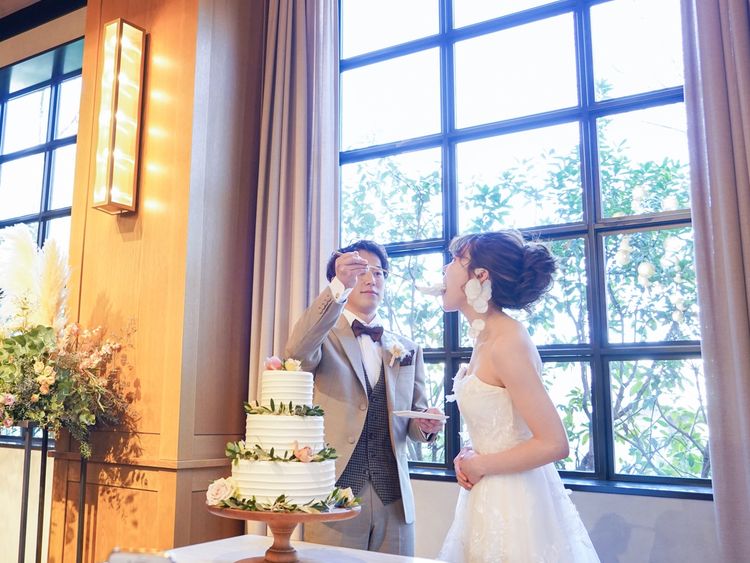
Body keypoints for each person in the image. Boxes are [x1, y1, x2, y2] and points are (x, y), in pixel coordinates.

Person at [437, 230, 599, 563]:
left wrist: (480, 464)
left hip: (515, 504)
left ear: (480, 276)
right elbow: (501, 424)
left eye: (455, 260)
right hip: (485, 497)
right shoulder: (485, 337)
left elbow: (554, 443)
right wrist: (470, 453)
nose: (445, 269)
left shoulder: (508, 341)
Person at [285, 240, 444, 556]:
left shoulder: (408, 348)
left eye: (379, 272)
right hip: (334, 496)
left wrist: (426, 424)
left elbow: (413, 419)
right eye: (361, 271)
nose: (372, 279)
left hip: (394, 500)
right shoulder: (322, 337)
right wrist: (337, 288)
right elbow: (296, 354)